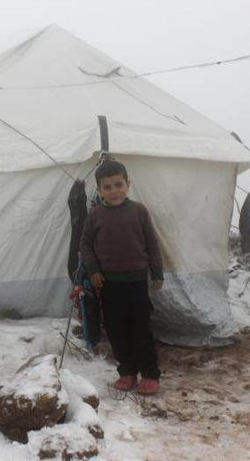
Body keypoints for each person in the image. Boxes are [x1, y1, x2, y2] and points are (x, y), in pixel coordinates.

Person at [79, 159, 163, 395]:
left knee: (141, 329)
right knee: (116, 331)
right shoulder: (95, 216)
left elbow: (152, 243)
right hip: (109, 284)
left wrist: (156, 272)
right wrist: (94, 270)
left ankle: (149, 374)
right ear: (99, 190)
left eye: (118, 185)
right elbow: (85, 245)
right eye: (107, 187)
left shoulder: (139, 211)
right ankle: (126, 372)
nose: (114, 191)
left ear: (128, 184)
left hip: (137, 283)